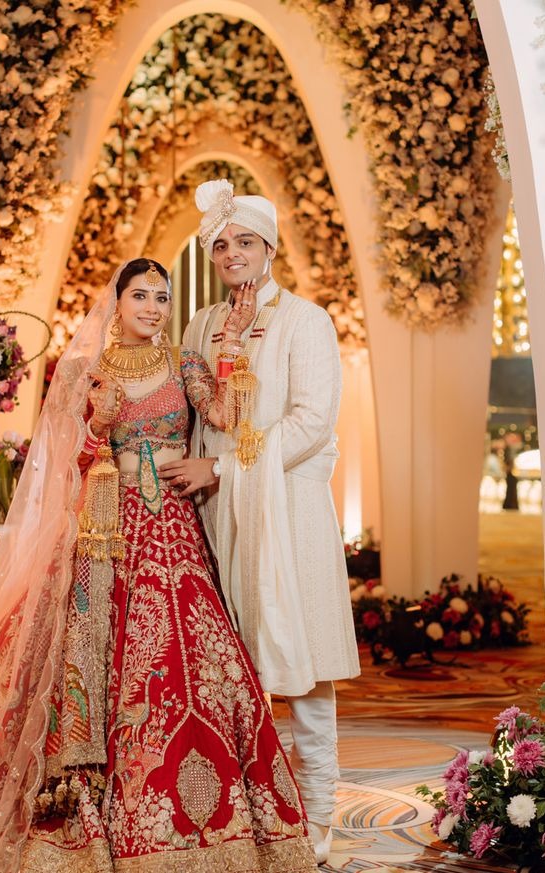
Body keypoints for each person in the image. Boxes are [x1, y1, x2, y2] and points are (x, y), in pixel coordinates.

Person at [0, 259, 317, 873]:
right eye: (141, 295)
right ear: (116, 301)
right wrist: (98, 423)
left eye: (162, 297)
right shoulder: (83, 372)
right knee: (79, 661)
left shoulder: (186, 364)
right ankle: (76, 807)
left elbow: (228, 416)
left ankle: (200, 832)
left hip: (175, 532)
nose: (153, 307)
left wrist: (232, 346)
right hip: (104, 532)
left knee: (196, 668)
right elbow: (61, 461)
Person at [160, 180, 361, 865]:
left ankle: (321, 817)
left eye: (245, 241)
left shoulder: (304, 321)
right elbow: (187, 416)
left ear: (269, 248)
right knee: (227, 673)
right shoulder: (198, 326)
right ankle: (245, 813)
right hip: (215, 515)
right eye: (220, 245)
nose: (231, 253)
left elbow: (310, 423)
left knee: (304, 671)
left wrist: (222, 470)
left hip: (286, 507)